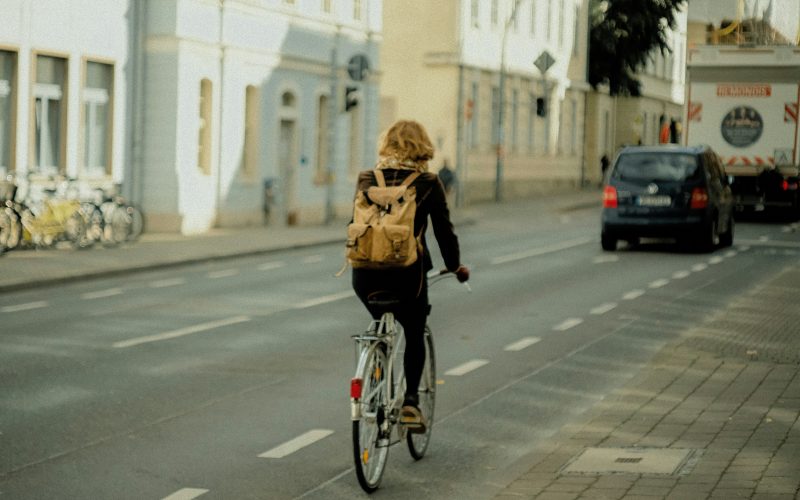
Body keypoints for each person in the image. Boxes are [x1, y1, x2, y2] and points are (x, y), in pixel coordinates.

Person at [351, 119, 469, 432]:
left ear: (386, 145)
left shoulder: (366, 178)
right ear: (422, 148)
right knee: (415, 330)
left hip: (364, 276)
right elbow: (445, 233)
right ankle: (411, 403)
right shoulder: (428, 182)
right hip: (407, 276)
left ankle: (374, 380)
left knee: (379, 323)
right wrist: (455, 266)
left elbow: (357, 225)